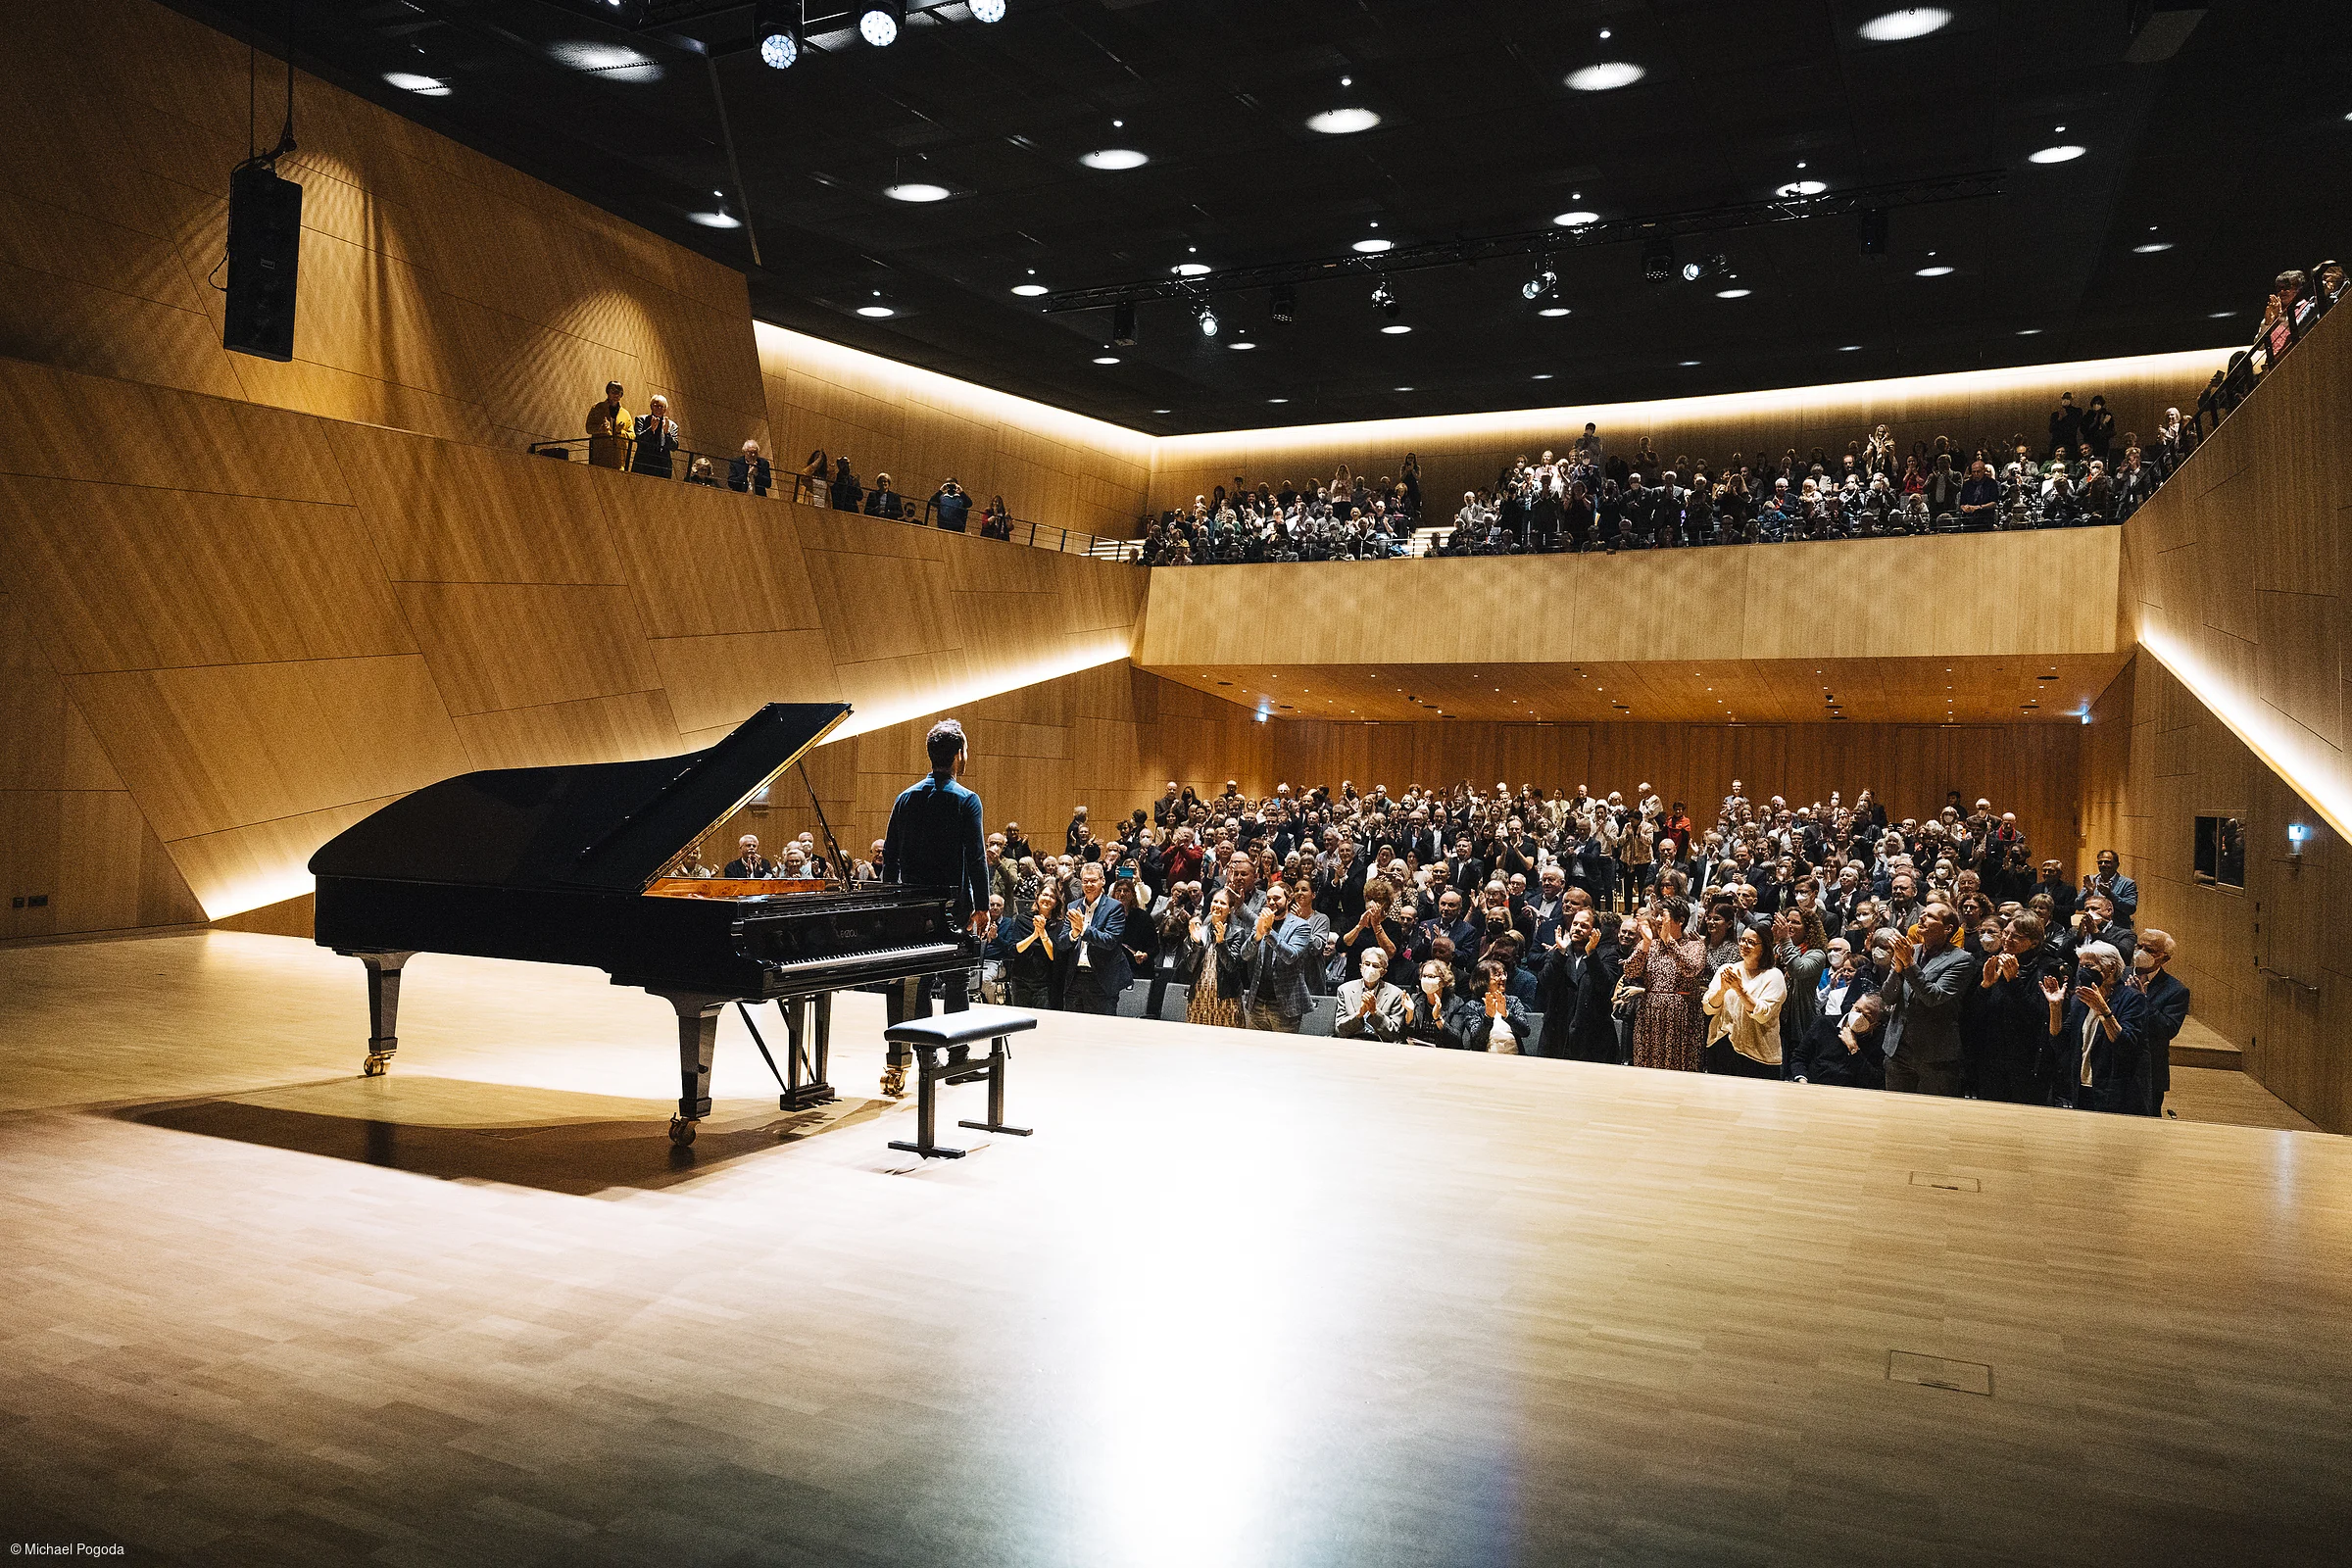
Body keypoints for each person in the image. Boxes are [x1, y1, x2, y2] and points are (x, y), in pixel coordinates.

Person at [879, 721, 992, 1070]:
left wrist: (892, 903)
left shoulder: (905, 798)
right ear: (959, 755)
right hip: (952, 904)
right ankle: (957, 1058)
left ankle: (926, 1057)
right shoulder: (966, 800)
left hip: (913, 905)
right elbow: (976, 856)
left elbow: (890, 857)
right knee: (957, 978)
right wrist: (983, 906)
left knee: (922, 979)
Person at [1878, 901, 1973, 1095]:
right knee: (1896, 1112)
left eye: (1931, 916)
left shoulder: (1961, 959)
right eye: (1924, 913)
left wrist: (1909, 964)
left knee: (1932, 1117)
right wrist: (1897, 970)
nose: (1922, 917)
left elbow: (1933, 997)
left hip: (1934, 1054)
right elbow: (1887, 998)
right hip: (1898, 1050)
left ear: (1948, 928)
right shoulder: (1912, 949)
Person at [2042, 941, 2148, 1112]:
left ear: (2111, 969)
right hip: (2082, 1086)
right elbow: (2060, 1043)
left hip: (2116, 1091)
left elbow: (2126, 1044)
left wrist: (2104, 1011)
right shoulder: (2080, 999)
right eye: (2081, 965)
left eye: (2089, 965)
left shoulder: (2132, 999)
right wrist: (2055, 1008)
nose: (2082, 970)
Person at [1625, 897, 1707, 1072]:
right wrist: (1645, 944)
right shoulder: (1650, 945)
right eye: (1656, 915)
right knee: (1646, 1065)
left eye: (1663, 915)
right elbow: (1630, 972)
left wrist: (1669, 940)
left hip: (1682, 1017)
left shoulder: (1695, 946)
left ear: (1681, 920)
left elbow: (1690, 969)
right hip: (1649, 1014)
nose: (1658, 920)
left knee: (1680, 1066)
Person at [1703, 922, 1787, 1078]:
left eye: (1751, 942)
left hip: (1757, 1054)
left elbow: (1762, 1015)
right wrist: (1722, 990)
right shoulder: (1727, 969)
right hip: (1721, 1046)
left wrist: (1740, 991)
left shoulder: (1773, 976)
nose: (1744, 945)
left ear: (1765, 946)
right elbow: (1708, 1008)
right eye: (1742, 940)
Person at [2129, 929, 2190, 1117]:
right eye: (2139, 946)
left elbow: (2167, 1029)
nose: (2141, 951)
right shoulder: (2117, 975)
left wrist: (2142, 1000)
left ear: (2165, 958)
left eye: (2149, 949)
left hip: (2149, 1070)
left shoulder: (2176, 990)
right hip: (2110, 1065)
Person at [1242, 882, 1315, 1032]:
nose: (1272, 902)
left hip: (1284, 1004)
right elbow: (1245, 955)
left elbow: (1290, 956)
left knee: (1283, 1051)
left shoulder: (1301, 926)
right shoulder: (1259, 922)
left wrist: (1269, 931)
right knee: (1254, 1049)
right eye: (1268, 899)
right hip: (1257, 1001)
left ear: (1289, 900)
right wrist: (1257, 936)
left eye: (1276, 898)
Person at [1061, 860, 1130, 1015]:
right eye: (1085, 881)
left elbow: (1110, 941)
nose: (1089, 884)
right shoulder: (1073, 906)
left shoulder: (1114, 907)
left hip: (1102, 979)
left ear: (1103, 881)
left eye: (1093, 880)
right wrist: (1073, 933)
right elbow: (1061, 942)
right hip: (1075, 978)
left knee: (1101, 1031)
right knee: (1072, 1028)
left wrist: (1083, 928)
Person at [1185, 887, 1250, 1028]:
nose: (1218, 905)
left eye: (1223, 903)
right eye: (1215, 901)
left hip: (1226, 999)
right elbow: (1189, 967)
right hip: (1199, 997)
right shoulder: (1199, 930)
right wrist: (1196, 944)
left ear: (1231, 908)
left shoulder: (1238, 932)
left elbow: (1232, 966)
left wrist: (1221, 943)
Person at [1004, 889, 1069, 1010]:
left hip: (1046, 983)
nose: (1047, 899)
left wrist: (1043, 932)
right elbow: (1013, 949)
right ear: (1037, 897)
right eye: (1044, 895)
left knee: (1045, 1021)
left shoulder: (1060, 925)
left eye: (1052, 897)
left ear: (1056, 902)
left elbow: (1054, 956)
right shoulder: (1022, 919)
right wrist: (1034, 935)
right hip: (1021, 979)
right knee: (1021, 1020)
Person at [1335, 947, 1407, 1042]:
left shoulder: (1396, 994)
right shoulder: (1344, 990)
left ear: (1383, 972)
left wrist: (1375, 1012)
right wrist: (1359, 1014)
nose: (1370, 968)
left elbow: (1394, 1034)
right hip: (1351, 1042)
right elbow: (1339, 1030)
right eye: (1367, 964)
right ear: (1361, 968)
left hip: (1380, 1044)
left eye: (1375, 966)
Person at [584, 380, 632, 469]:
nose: (616, 395)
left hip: (618, 460)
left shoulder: (625, 414)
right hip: (600, 456)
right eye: (613, 392)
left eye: (619, 393)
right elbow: (589, 428)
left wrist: (620, 432)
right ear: (608, 392)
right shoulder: (597, 408)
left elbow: (632, 436)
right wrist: (601, 429)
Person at [631, 395, 678, 478]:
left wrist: (667, 433)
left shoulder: (672, 425)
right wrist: (651, 429)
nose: (659, 409)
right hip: (643, 465)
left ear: (665, 409)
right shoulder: (641, 419)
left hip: (662, 467)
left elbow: (674, 446)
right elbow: (638, 439)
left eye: (661, 407)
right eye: (656, 406)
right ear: (651, 407)